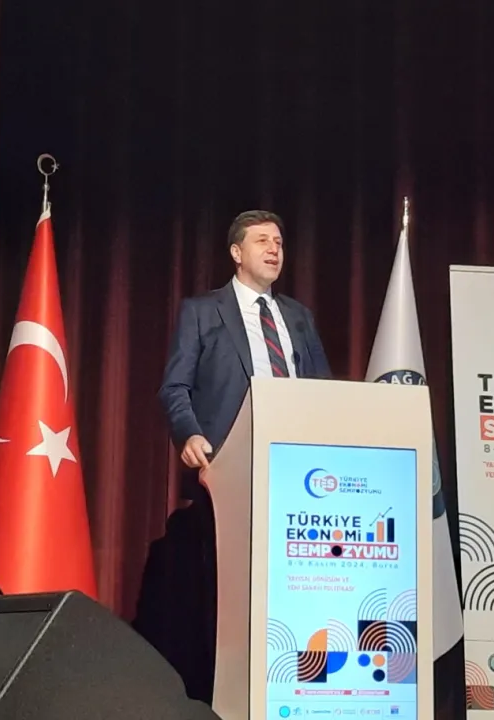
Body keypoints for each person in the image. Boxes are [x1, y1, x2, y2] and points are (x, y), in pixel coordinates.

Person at [134, 210, 331, 703]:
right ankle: (223, 697)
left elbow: (323, 390)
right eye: (262, 240)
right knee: (226, 594)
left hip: (296, 474)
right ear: (236, 252)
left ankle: (291, 684)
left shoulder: (299, 317)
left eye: (279, 242)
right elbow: (174, 387)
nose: (274, 249)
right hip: (226, 472)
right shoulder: (203, 311)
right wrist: (190, 435)